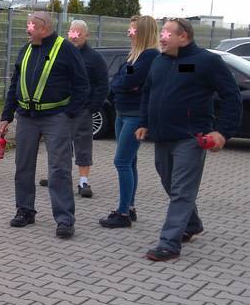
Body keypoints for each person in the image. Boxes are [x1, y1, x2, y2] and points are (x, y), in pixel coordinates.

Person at [136, 18, 242, 261]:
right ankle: (192, 224)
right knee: (169, 183)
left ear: (184, 37)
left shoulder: (207, 61)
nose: (162, 37)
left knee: (182, 189)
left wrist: (223, 132)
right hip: (162, 136)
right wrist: (143, 122)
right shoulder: (158, 61)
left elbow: (231, 96)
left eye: (167, 33)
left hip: (191, 138)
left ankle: (169, 243)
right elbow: (147, 92)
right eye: (161, 32)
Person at [0, 11, 89, 239]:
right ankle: (25, 210)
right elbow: (14, 84)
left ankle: (65, 219)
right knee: (23, 165)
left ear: (44, 28)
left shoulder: (65, 49)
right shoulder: (26, 49)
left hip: (56, 116)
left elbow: (82, 83)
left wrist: (70, 113)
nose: (27, 30)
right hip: (26, 117)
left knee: (59, 168)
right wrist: (6, 115)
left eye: (31, 26)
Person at [99, 15, 159, 228]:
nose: (128, 32)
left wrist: (124, 83)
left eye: (132, 29)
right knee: (129, 161)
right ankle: (129, 207)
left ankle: (123, 213)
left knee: (122, 161)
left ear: (141, 32)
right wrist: (123, 84)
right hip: (122, 112)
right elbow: (118, 80)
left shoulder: (150, 56)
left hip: (135, 116)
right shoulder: (134, 56)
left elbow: (133, 81)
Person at [38, 20, 108, 196]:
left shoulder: (95, 58)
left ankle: (83, 183)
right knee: (58, 145)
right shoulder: (61, 54)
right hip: (59, 109)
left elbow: (102, 84)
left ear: (86, 35)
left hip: (82, 110)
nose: (74, 36)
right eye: (72, 32)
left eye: (79, 33)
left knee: (83, 145)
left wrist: (93, 107)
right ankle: (58, 176)